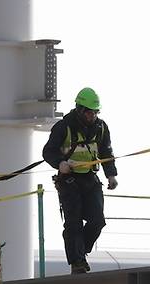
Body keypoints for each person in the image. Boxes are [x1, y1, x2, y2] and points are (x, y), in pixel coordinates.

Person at [42, 87, 118, 274]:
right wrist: (60, 164)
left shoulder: (101, 128)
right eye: (89, 112)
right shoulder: (64, 127)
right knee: (73, 222)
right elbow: (48, 151)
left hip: (90, 179)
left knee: (97, 221)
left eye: (95, 112)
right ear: (80, 109)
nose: (93, 116)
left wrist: (111, 175)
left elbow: (106, 152)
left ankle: (80, 250)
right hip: (69, 181)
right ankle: (77, 262)